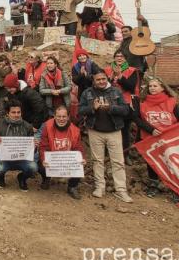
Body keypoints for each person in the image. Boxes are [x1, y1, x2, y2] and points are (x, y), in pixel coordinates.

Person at [78, 71, 133, 203]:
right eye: (98, 80)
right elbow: (80, 110)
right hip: (95, 131)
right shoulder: (87, 93)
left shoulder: (116, 92)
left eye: (103, 79)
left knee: (118, 162)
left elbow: (126, 111)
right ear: (94, 81)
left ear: (106, 79)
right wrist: (93, 107)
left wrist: (111, 108)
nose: (101, 81)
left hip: (114, 131)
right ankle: (99, 187)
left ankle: (120, 190)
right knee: (97, 161)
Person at [133, 78, 179, 198]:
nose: (152, 88)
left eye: (155, 86)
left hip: (168, 140)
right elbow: (136, 119)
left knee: (170, 162)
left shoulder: (172, 102)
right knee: (152, 163)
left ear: (162, 88)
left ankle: (175, 189)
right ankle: (153, 186)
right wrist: (151, 130)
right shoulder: (142, 102)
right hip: (150, 138)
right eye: (150, 86)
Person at [38, 106, 86, 200]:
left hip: (66, 159)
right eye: (59, 116)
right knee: (40, 165)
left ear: (68, 117)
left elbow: (78, 147)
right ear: (54, 116)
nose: (61, 119)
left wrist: (82, 157)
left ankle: (72, 187)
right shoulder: (47, 126)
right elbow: (43, 146)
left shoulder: (75, 130)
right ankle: (46, 178)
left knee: (80, 164)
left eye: (64, 116)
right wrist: (44, 159)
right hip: (53, 159)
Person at [0, 100, 38, 190]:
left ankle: (22, 178)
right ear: (8, 113)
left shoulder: (28, 126)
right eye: (13, 112)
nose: (16, 115)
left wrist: (34, 146)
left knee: (33, 168)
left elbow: (32, 152)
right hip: (3, 157)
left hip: (21, 158)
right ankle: (0, 177)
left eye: (18, 112)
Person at [104, 50, 140, 162]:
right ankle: (108, 154)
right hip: (109, 103)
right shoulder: (107, 70)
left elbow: (131, 87)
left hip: (126, 104)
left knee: (124, 130)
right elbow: (102, 86)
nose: (119, 58)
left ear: (125, 59)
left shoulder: (132, 70)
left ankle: (126, 155)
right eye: (117, 56)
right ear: (114, 58)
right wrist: (111, 78)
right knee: (109, 128)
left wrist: (120, 76)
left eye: (122, 56)